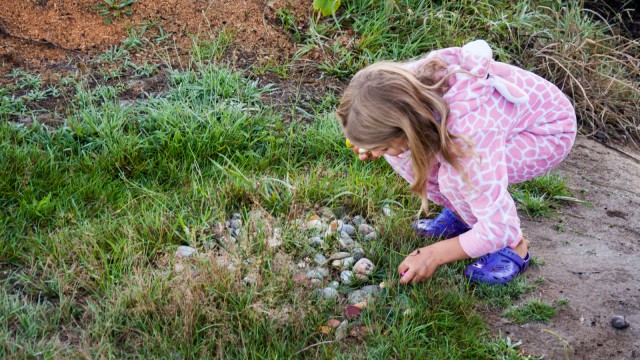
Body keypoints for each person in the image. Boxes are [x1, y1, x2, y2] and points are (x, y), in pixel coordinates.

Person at [336, 40, 576, 285]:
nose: (379, 153)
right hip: (489, 126)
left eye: (384, 145)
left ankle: (515, 247)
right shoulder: (408, 95)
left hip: (546, 131)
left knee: (455, 177)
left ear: (405, 128)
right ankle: (464, 216)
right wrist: (374, 143)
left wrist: (433, 255)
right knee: (405, 156)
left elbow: (498, 225)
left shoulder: (467, 133)